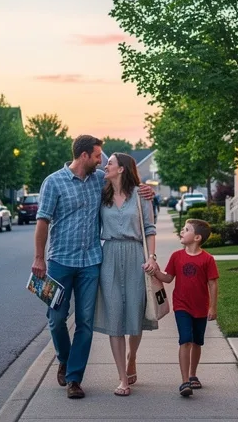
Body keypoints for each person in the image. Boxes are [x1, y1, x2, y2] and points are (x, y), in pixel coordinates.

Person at [32, 135, 154, 400]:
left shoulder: (100, 180)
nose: (101, 161)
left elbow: (126, 186)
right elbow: (42, 222)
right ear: (84, 155)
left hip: (91, 263)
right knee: (55, 319)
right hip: (59, 261)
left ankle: (74, 378)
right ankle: (65, 359)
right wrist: (39, 258)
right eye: (98, 156)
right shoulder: (53, 182)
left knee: (85, 322)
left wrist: (146, 190)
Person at [94, 153, 158, 397]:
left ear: (122, 169)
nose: (105, 166)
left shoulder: (141, 194)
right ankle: (122, 378)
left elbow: (149, 228)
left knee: (134, 312)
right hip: (109, 255)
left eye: (110, 163)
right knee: (114, 317)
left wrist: (151, 258)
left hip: (135, 255)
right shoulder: (101, 194)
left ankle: (133, 357)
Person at [149, 218, 218, 398]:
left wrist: (213, 307)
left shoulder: (207, 259)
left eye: (186, 230)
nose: (182, 231)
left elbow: (213, 284)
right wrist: (155, 271)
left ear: (197, 238)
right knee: (185, 340)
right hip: (182, 306)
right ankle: (185, 381)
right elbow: (168, 278)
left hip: (200, 307)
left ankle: (193, 374)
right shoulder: (176, 256)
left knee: (197, 342)